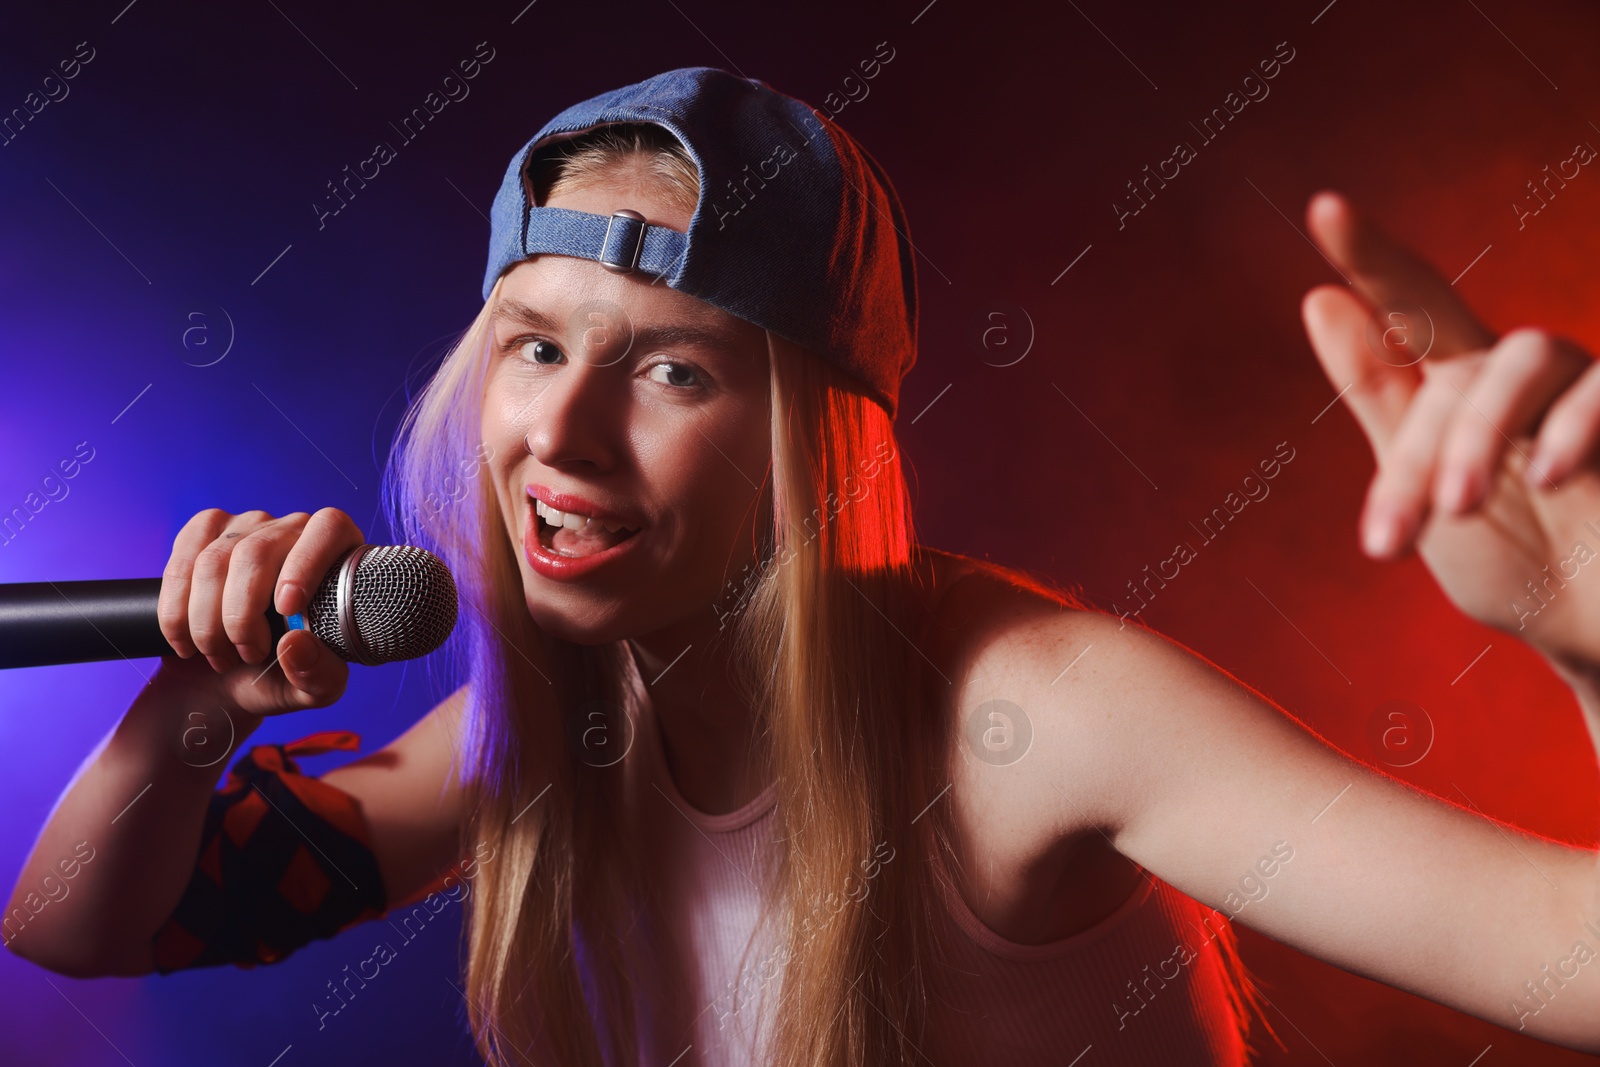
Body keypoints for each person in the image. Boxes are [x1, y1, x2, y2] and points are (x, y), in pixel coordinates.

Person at [7, 66, 1600, 1067]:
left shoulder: (1033, 719)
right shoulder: (548, 740)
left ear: (814, 442)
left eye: (675, 371)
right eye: (533, 345)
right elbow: (80, 930)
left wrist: (1582, 639)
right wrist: (192, 709)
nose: (561, 432)